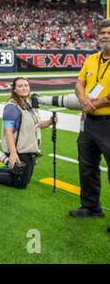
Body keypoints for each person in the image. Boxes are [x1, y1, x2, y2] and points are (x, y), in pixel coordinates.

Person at [70, 19, 110, 232]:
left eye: (109, 32)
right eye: (102, 32)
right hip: (89, 123)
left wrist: (93, 103)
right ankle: (91, 206)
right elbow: (80, 83)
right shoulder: (92, 59)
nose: (105, 36)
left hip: (108, 121)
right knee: (87, 166)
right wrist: (83, 100)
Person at [0, 77, 56, 189]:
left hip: (29, 149)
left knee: (23, 177)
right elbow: (8, 131)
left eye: (26, 85)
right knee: (21, 183)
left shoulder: (28, 105)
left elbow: (37, 124)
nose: (24, 88)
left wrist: (50, 122)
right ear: (14, 90)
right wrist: (13, 153)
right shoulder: (11, 108)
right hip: (19, 150)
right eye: (20, 86)